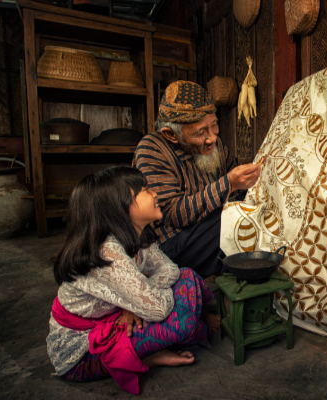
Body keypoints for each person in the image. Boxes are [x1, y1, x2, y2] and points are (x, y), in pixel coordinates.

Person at [45, 166, 220, 394]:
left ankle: (159, 343)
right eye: (145, 190)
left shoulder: (137, 237)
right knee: (186, 315)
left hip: (121, 323)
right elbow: (157, 310)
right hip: (84, 354)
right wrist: (140, 302)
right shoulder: (106, 252)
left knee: (187, 277)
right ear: (119, 208)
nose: (154, 193)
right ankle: (147, 358)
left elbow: (169, 269)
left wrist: (136, 303)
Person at [133, 80, 260, 278]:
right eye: (200, 132)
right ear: (171, 135)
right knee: (233, 221)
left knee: (249, 212)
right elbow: (171, 213)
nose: (212, 138)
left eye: (214, 125)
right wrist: (228, 183)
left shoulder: (214, 145)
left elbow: (237, 186)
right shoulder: (152, 149)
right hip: (171, 244)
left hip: (208, 231)